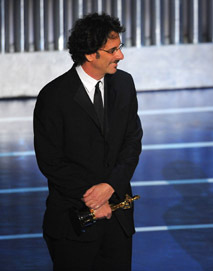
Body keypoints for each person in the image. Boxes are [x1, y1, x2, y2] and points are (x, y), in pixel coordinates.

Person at [34, 13, 142, 271]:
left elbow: (132, 141)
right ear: (91, 54)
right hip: (74, 221)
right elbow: (50, 161)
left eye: (120, 48)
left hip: (118, 220)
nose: (120, 56)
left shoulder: (124, 84)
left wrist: (110, 186)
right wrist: (94, 198)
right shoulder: (54, 96)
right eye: (113, 50)